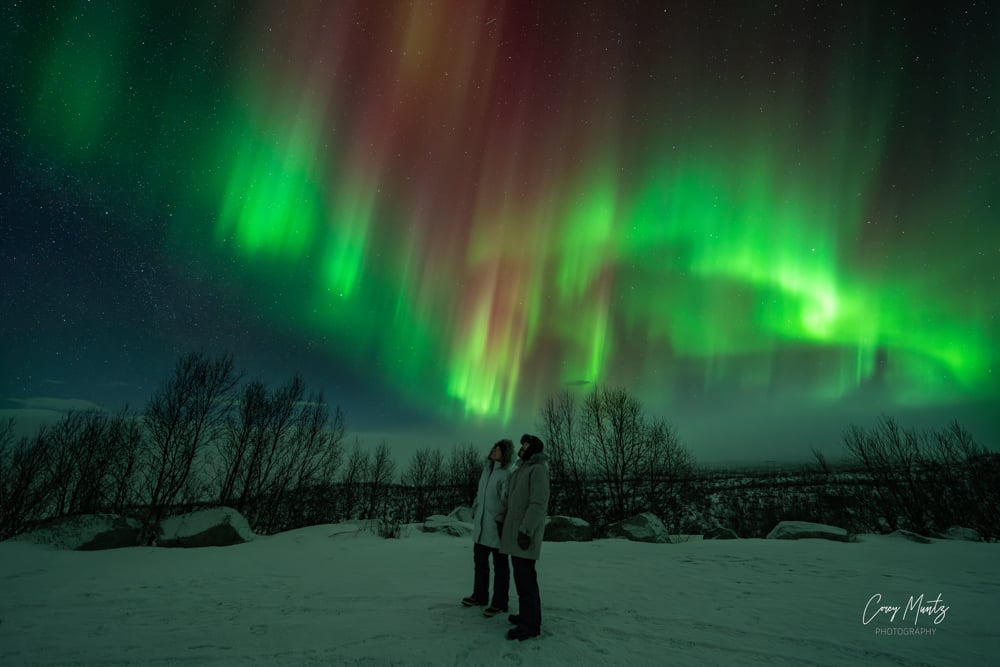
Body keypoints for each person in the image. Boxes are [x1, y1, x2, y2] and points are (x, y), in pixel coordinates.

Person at [497, 433, 549, 641]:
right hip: (515, 535)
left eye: (525, 444)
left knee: (527, 579)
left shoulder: (538, 471)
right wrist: (501, 520)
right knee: (521, 577)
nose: (522, 447)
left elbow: (538, 504)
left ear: (533, 448)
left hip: (524, 536)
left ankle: (531, 624)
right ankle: (525, 615)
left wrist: (526, 531)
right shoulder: (520, 470)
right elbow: (509, 499)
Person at [462, 439, 513, 617]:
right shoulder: (486, 471)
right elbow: (479, 495)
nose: (494, 451)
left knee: (500, 566)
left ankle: (499, 602)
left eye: (498, 450)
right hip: (481, 527)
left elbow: (506, 500)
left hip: (496, 528)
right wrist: (476, 509)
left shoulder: (505, 475)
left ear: (504, 455)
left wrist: (499, 519)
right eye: (494, 448)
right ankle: (480, 595)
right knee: (480, 563)